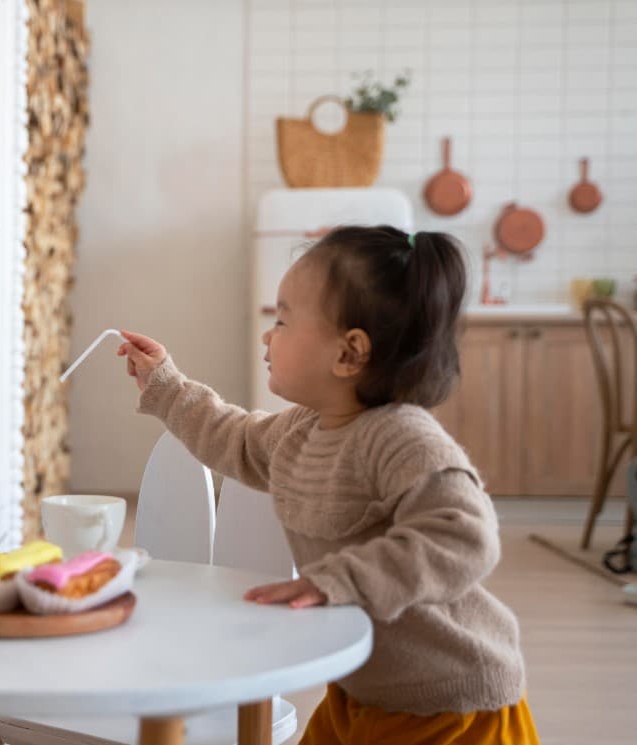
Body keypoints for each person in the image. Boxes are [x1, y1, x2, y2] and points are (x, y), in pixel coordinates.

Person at [117, 226, 540, 744]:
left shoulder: (401, 436)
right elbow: (235, 440)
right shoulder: (305, 428)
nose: (268, 336)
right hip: (363, 687)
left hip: (448, 703)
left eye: (283, 320)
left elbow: (465, 537)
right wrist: (166, 386)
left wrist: (336, 581)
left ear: (349, 354)